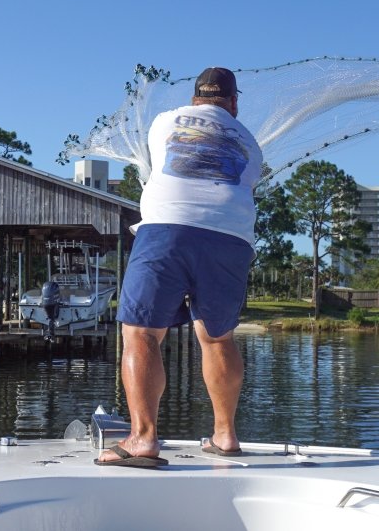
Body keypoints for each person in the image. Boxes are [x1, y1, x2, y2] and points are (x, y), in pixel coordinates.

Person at [96, 66, 263, 468]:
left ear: (195, 99)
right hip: (231, 237)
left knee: (141, 333)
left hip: (168, 228)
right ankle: (225, 436)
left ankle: (143, 439)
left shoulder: (164, 122)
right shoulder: (251, 145)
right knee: (218, 337)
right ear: (234, 102)